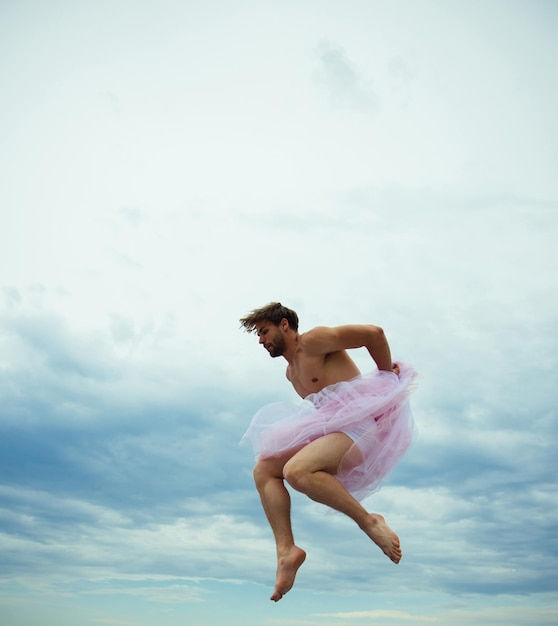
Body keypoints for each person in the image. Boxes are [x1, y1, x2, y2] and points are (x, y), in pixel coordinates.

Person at [239, 302, 417, 602]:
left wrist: (387, 376)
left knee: (297, 471)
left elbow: (373, 333)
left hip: (359, 429)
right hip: (334, 433)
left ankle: (370, 521)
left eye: (264, 331)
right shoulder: (290, 372)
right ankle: (286, 551)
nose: (260, 340)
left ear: (284, 325)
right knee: (264, 469)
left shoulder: (313, 341)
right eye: (258, 335)